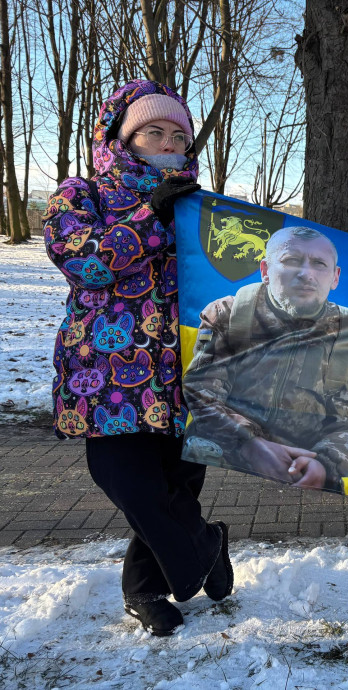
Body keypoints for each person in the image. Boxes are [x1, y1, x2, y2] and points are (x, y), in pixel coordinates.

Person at [43, 79, 231, 637]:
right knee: (127, 481)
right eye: (154, 132)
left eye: (179, 135)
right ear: (122, 139)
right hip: (107, 378)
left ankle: (144, 589)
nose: (169, 143)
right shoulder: (82, 195)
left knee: (176, 488)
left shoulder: (198, 207)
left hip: (188, 375)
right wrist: (151, 216)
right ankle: (205, 547)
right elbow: (82, 260)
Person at [183, 226, 348, 493]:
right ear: (265, 270)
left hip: (307, 472)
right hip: (229, 462)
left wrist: (325, 464)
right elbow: (201, 394)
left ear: (335, 277)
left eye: (319, 264)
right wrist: (249, 444)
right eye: (292, 260)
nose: (306, 274)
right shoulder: (228, 314)